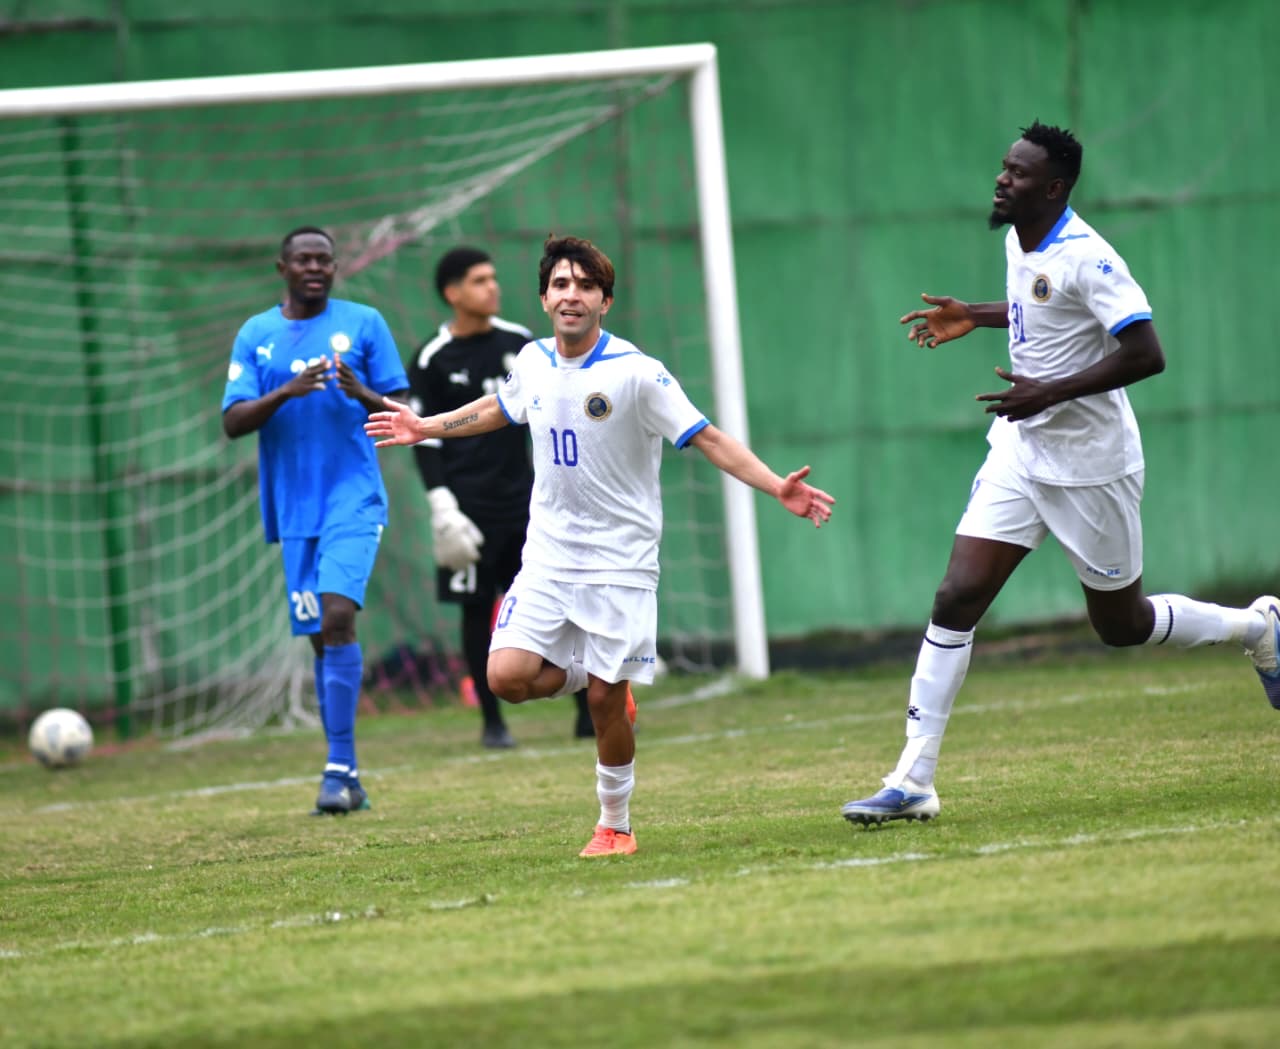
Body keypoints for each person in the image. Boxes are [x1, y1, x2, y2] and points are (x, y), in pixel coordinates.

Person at [841, 121, 1280, 827]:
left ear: (1053, 187)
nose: (1000, 179)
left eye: (1016, 173)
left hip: (1091, 467)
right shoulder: (1020, 238)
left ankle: (1258, 627)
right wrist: (977, 317)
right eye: (1002, 167)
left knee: (1123, 625)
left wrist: (1047, 391)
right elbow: (1039, 308)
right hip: (1020, 450)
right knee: (956, 596)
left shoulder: (1091, 258)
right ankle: (912, 778)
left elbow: (1146, 353)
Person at [367, 234, 835, 856]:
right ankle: (593, 672)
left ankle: (615, 823)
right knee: (504, 676)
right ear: (544, 298)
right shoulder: (531, 360)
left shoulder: (638, 373)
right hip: (549, 557)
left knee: (606, 709)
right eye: (561, 284)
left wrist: (778, 486)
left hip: (621, 563)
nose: (572, 295)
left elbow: (709, 437)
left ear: (605, 301)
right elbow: (501, 408)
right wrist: (426, 426)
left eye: (586, 285)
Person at [222, 226, 410, 815]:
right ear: (283, 266)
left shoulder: (364, 323)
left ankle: (336, 769)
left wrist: (364, 394)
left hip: (354, 498)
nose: (316, 268)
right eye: (304, 259)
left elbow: (408, 414)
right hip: (294, 506)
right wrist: (286, 391)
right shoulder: (257, 334)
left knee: (337, 614)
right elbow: (233, 421)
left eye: (325, 260)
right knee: (321, 640)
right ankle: (347, 773)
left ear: (334, 268)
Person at [407, 246, 592, 748]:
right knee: (475, 611)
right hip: (467, 512)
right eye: (479, 280)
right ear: (453, 293)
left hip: (528, 506)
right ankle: (492, 723)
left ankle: (585, 711)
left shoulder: (521, 343)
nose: (493, 287)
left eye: (493, 277)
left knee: (557, 603)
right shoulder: (431, 357)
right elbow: (424, 438)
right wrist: (441, 506)